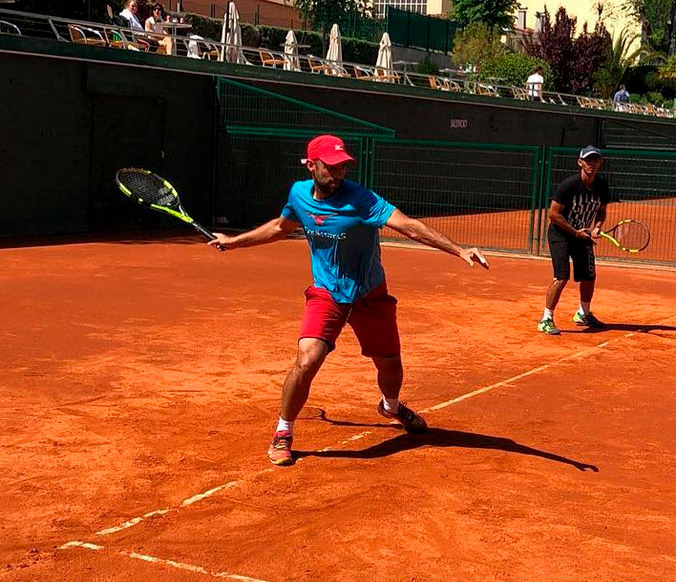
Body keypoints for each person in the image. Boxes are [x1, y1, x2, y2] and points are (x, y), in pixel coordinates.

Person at [208, 134, 490, 466]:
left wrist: (459, 250)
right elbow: (279, 227)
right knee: (307, 359)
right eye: (331, 166)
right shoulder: (299, 194)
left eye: (343, 166)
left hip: (370, 294)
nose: (339, 173)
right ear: (311, 165)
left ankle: (392, 407)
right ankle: (283, 432)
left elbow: (410, 227)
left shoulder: (362, 200)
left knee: (391, 367)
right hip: (327, 293)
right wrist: (234, 241)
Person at [538, 145, 611, 335]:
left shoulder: (602, 186)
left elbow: (602, 211)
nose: (591, 164)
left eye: (595, 160)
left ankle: (583, 314)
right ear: (580, 162)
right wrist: (575, 232)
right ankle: (546, 318)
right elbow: (553, 214)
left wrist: (596, 227)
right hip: (560, 234)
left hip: (582, 235)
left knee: (589, 276)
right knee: (561, 277)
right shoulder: (569, 185)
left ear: (600, 163)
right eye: (588, 160)